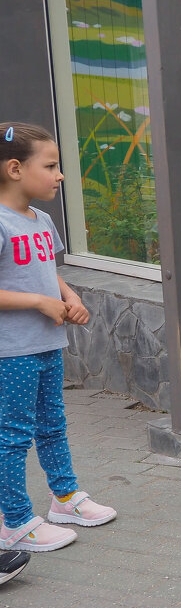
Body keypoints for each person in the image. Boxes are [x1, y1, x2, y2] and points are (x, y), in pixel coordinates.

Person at [0, 122, 117, 553]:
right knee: (12, 435)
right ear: (15, 168)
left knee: (53, 425)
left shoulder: (42, 219)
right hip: (11, 352)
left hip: (48, 343)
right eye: (50, 166)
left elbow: (49, 271)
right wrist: (37, 302)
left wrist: (69, 296)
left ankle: (65, 499)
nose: (59, 174)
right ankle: (13, 521)